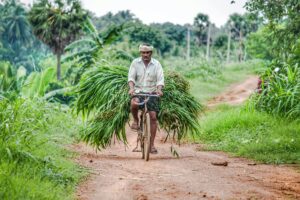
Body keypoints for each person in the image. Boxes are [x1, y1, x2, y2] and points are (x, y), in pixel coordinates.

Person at [128, 43, 164, 154]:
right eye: (143, 52)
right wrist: (131, 88)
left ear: (151, 53)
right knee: (134, 103)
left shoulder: (157, 64)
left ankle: (152, 145)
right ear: (140, 53)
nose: (145, 55)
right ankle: (135, 120)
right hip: (138, 92)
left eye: (147, 52)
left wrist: (159, 89)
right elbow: (131, 78)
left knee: (153, 117)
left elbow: (160, 79)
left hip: (152, 93)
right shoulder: (135, 63)